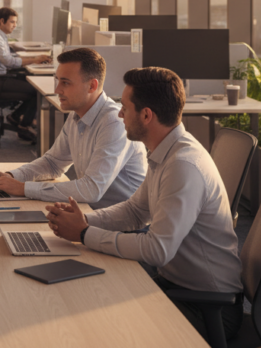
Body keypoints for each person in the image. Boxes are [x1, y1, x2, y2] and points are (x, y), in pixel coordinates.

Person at [44, 67, 244, 341]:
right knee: (83, 297)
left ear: (146, 115)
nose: (119, 114)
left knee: (95, 326)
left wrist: (83, 234)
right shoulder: (166, 150)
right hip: (174, 284)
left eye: (125, 108)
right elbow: (136, 211)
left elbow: (157, 249)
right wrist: (85, 221)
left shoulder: (183, 166)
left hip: (206, 307)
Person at [0, 47, 146, 207]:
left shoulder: (114, 123)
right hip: (92, 213)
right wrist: (10, 177)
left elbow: (91, 190)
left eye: (65, 83)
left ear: (92, 86)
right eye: (58, 81)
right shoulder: (76, 114)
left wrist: (22, 188)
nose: (57, 90)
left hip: (125, 228)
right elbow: (52, 163)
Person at [0, 7, 51, 143]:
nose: (15, 25)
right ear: (2, 21)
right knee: (38, 89)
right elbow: (8, 61)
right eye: (12, 22)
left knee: (35, 81)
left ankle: (16, 117)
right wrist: (35, 59)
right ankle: (23, 127)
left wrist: (31, 57)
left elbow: (7, 57)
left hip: (2, 76)